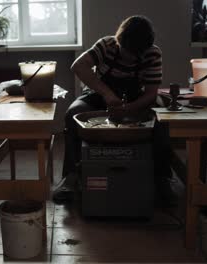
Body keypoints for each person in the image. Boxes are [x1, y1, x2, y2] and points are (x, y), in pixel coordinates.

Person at [53, 15, 176, 205]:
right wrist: (107, 94)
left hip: (136, 99)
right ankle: (71, 177)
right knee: (73, 113)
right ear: (119, 41)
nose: (130, 58)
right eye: (126, 52)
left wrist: (127, 109)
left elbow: (151, 93)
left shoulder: (152, 53)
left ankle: (162, 179)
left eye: (135, 55)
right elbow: (78, 66)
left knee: (161, 119)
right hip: (98, 95)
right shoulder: (107, 45)